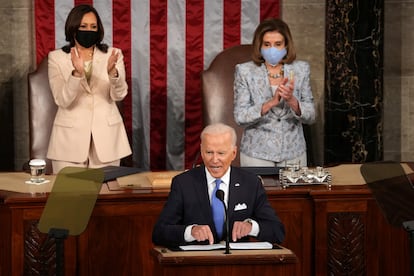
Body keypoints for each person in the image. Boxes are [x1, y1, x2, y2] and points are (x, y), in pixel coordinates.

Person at [152, 123, 285, 248]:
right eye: (209, 152)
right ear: (201, 151)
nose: (214, 160)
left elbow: (277, 231)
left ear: (233, 153)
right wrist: (190, 231)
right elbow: (159, 233)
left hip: (237, 265)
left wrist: (252, 227)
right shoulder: (183, 183)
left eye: (221, 153)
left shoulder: (250, 183)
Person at [47, 4, 132, 174]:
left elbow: (120, 94)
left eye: (93, 27)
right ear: (73, 29)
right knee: (70, 198)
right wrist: (76, 74)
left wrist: (112, 73)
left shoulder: (113, 54)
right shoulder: (56, 58)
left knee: (105, 198)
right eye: (83, 26)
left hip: (107, 141)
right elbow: (62, 100)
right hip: (68, 144)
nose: (89, 30)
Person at [234, 18, 315, 168]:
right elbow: (240, 117)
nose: (272, 49)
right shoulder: (245, 71)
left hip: (293, 153)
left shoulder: (301, 69)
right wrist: (270, 103)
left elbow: (310, 116)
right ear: (259, 46)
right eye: (267, 44)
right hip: (257, 153)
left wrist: (292, 101)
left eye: (278, 44)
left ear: (286, 45)